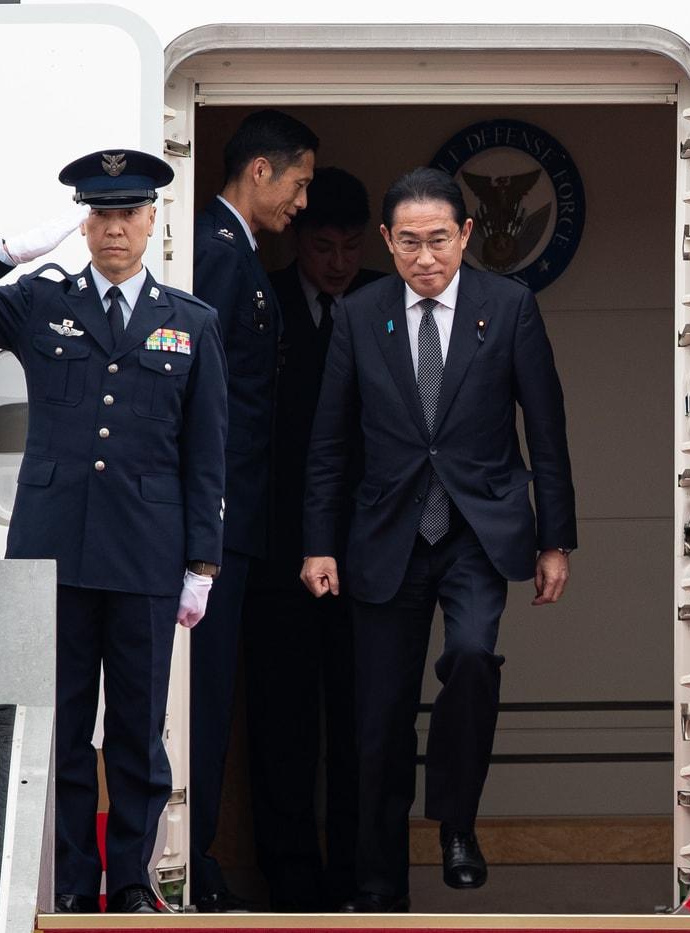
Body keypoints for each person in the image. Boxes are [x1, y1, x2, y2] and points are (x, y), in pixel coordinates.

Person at [0, 149, 228, 915]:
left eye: (128, 213)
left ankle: (130, 879)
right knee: (62, 730)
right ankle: (78, 885)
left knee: (138, 736)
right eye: (101, 214)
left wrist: (202, 564)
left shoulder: (191, 323)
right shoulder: (37, 303)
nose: (115, 228)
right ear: (84, 221)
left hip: (147, 554)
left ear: (153, 220)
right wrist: (8, 251)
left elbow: (208, 451)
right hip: (55, 551)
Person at [301, 167, 578, 912]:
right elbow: (327, 442)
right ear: (388, 242)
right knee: (378, 721)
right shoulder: (360, 316)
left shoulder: (508, 306)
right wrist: (318, 543)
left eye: (440, 240)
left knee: (471, 658)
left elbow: (545, 433)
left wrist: (557, 541)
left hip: (476, 533)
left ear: (464, 235)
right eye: (410, 242)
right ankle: (377, 886)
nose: (426, 258)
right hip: (384, 535)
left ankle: (457, 824)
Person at [244, 167, 383, 911]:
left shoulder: (389, 300)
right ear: (297, 238)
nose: (337, 262)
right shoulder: (261, 297)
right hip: (276, 549)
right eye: (322, 245)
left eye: (351, 246)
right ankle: (291, 883)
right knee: (282, 724)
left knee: (365, 724)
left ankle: (359, 882)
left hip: (374, 552)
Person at [189, 108, 318, 912]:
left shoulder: (239, 251)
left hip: (239, 525)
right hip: (217, 524)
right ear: (260, 171)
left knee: (216, 699)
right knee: (200, 701)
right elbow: (201, 401)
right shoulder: (216, 252)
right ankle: (193, 865)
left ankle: (198, 859)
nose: (302, 203)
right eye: (298, 183)